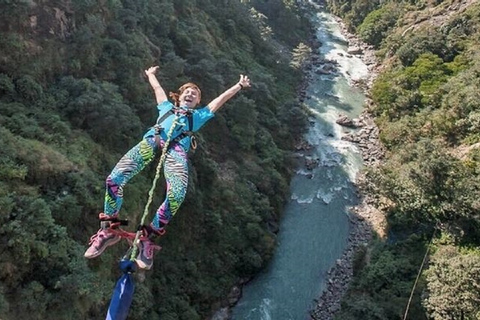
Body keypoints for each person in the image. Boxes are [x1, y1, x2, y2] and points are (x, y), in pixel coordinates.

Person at [84, 66, 251, 269]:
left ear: (198, 102)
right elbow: (158, 89)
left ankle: (148, 237)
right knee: (114, 179)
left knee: (177, 194)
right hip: (152, 142)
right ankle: (109, 229)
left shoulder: (198, 116)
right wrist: (151, 75)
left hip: (176, 149)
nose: (190, 94)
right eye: (187, 91)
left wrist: (239, 86)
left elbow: (219, 100)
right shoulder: (165, 107)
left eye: (195, 94)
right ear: (179, 97)